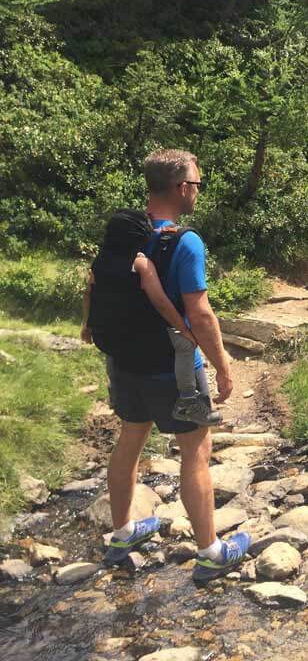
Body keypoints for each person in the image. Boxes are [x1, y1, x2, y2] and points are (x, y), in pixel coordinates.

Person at [81, 149, 251, 581]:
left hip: (124, 363)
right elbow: (200, 314)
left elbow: (93, 281)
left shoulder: (125, 233)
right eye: (196, 183)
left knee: (130, 440)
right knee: (196, 450)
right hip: (173, 368)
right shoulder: (184, 241)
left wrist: (87, 327)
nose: (198, 191)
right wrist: (223, 366)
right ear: (181, 188)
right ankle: (211, 552)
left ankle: (123, 532)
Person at [81, 209, 223, 428]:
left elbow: (89, 294)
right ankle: (188, 400)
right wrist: (182, 328)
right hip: (145, 335)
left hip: (111, 337)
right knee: (184, 347)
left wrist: (87, 325)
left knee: (114, 354)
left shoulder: (99, 262)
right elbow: (160, 302)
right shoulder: (140, 264)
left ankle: (114, 393)